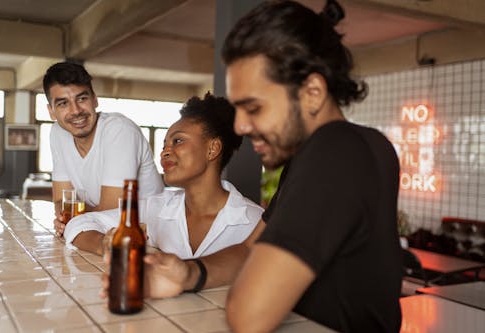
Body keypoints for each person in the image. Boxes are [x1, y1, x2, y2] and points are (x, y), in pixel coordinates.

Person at [102, 1, 402, 332]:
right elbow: (250, 248)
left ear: (313, 92)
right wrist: (189, 274)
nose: (241, 126)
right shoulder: (335, 152)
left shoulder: (337, 151)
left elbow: (248, 315)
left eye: (253, 107)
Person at [65, 92, 263, 257]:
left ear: (213, 149)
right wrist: (105, 245)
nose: (164, 152)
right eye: (164, 145)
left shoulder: (255, 221)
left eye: (178, 141)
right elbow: (79, 223)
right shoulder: (156, 208)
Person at [44, 61, 164, 238]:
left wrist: (75, 219)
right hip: (104, 234)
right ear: (51, 111)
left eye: (82, 99)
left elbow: (112, 211)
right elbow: (62, 200)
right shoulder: (58, 133)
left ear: (95, 99)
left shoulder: (119, 130)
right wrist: (65, 218)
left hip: (153, 236)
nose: (76, 111)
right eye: (63, 103)